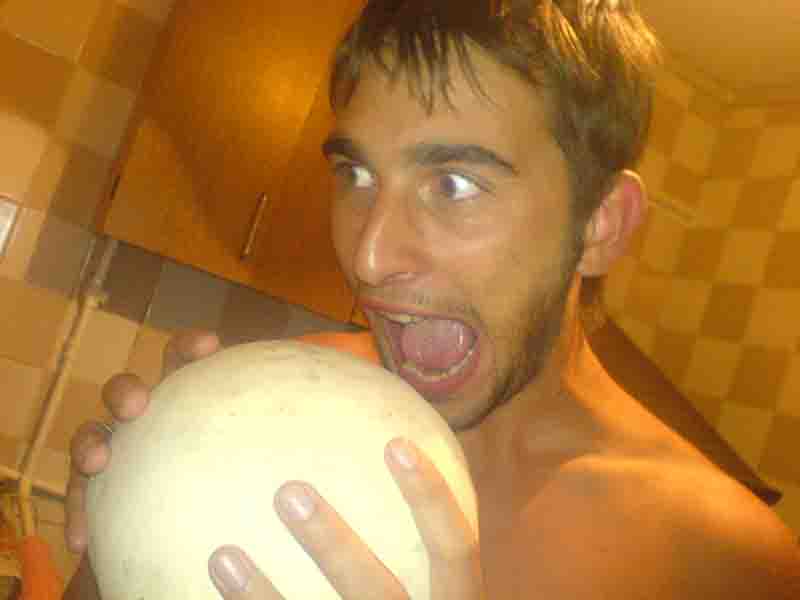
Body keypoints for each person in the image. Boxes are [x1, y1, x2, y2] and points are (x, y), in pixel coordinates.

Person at [63, 1, 800, 598]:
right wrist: (123, 537)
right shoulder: (279, 406)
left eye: (454, 184)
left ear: (599, 225)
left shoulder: (727, 563)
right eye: (356, 176)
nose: (369, 258)